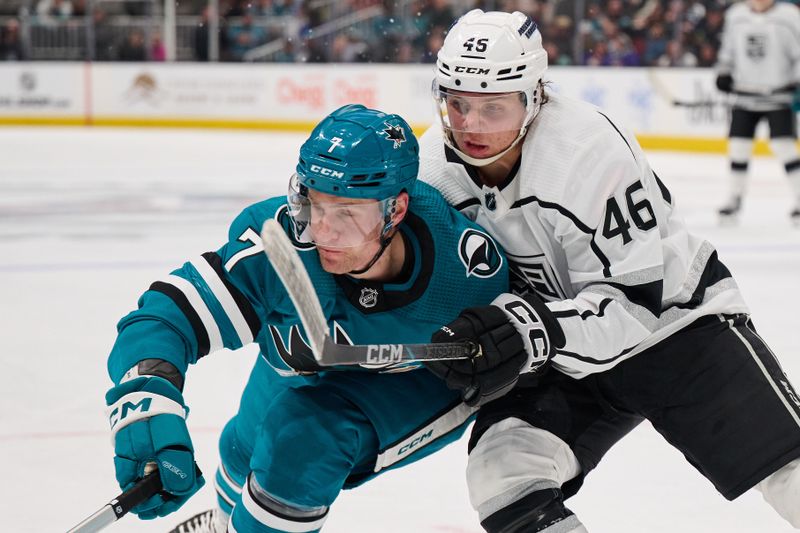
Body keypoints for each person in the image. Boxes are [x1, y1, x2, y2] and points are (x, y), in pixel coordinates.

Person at [418, 9, 800, 532]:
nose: (470, 126)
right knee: (504, 473)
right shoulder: (433, 167)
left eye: (494, 107)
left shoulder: (586, 150)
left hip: (676, 328)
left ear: (535, 98)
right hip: (562, 349)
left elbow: (635, 308)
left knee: (790, 475)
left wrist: (529, 328)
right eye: (457, 104)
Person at [104, 104, 515, 533]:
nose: (322, 232)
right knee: (243, 445)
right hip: (302, 358)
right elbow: (168, 317)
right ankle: (221, 526)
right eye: (314, 206)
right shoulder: (282, 246)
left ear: (395, 211)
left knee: (301, 446)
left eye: (347, 214)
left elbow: (517, 339)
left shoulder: (466, 272)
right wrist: (147, 396)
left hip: (413, 377)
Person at [714, 0, 800, 224]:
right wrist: (723, 72)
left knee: (785, 148)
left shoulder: (789, 16)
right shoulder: (736, 16)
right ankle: (734, 200)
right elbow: (728, 50)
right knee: (738, 149)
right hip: (745, 99)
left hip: (778, 98)